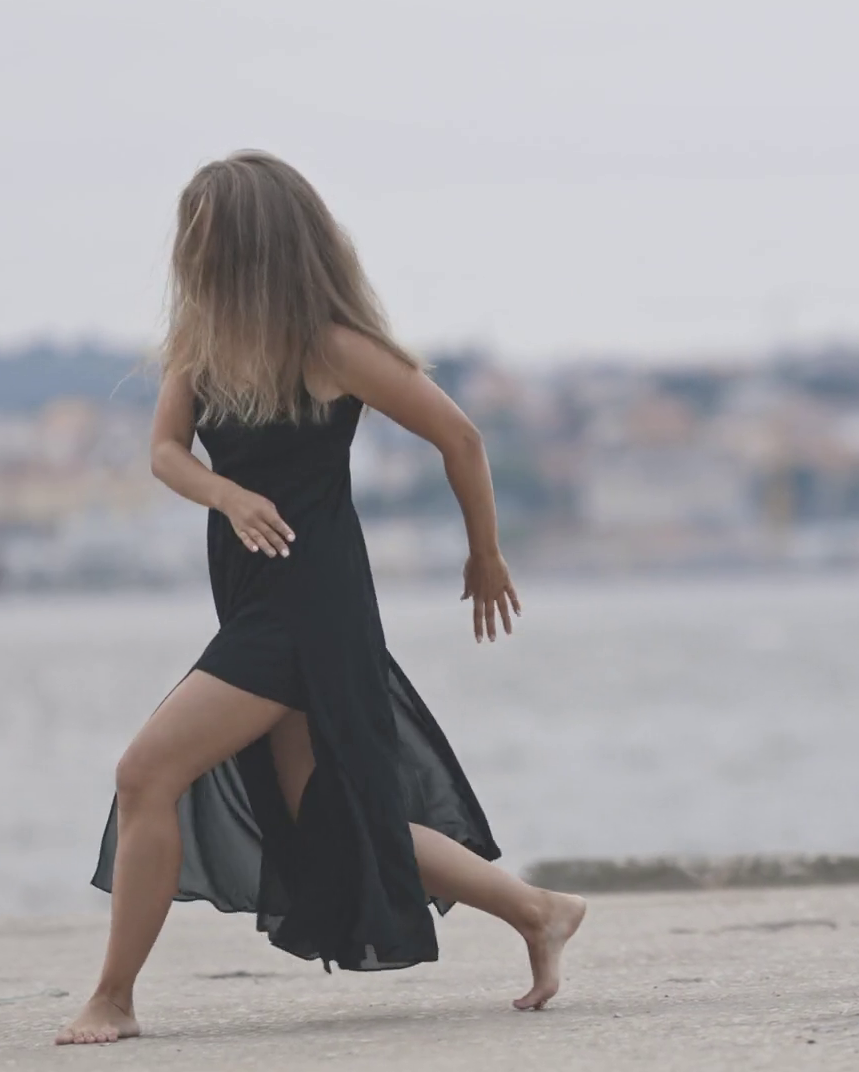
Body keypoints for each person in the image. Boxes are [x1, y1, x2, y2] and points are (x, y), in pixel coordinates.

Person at [57, 151, 585, 1046]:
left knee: (145, 773)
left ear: (255, 243)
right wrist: (226, 495)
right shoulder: (201, 344)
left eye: (205, 234)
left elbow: (459, 436)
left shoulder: (329, 347)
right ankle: (539, 910)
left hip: (309, 604)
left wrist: (486, 556)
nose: (189, 251)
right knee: (330, 818)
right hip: (254, 593)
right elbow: (166, 454)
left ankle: (114, 997)